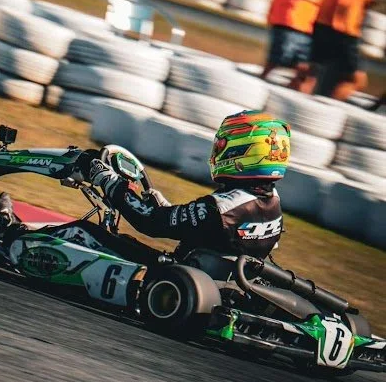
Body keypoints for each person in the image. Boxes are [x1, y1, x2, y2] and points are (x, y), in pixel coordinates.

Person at [75, 111, 290, 271]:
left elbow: (150, 222)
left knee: (81, 234)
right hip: (223, 282)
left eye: (222, 145)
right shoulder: (272, 203)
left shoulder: (222, 207)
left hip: (177, 276)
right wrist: (164, 206)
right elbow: (200, 229)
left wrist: (108, 179)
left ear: (242, 153)